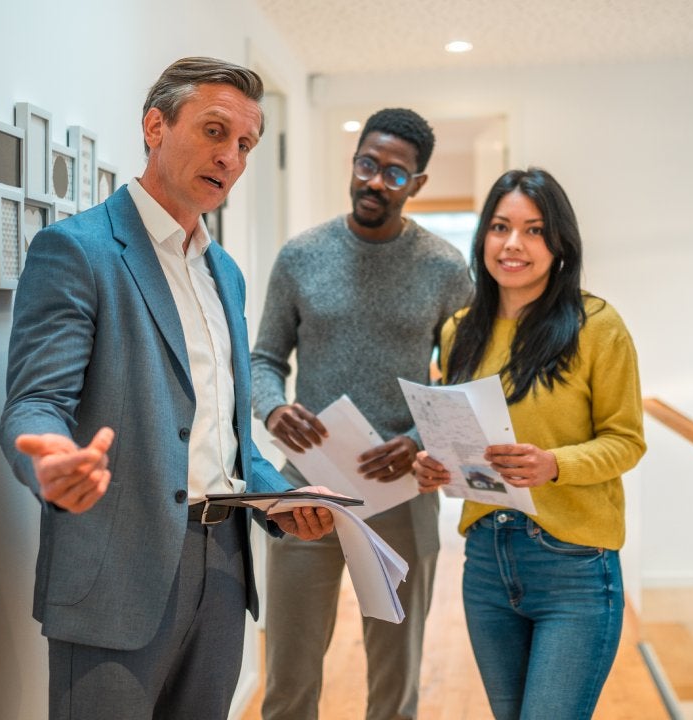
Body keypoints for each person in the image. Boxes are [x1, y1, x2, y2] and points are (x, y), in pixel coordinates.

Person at [0, 56, 336, 720]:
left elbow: (230, 438)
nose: (231, 157)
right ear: (156, 125)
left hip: (223, 570)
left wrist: (278, 496)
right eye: (214, 132)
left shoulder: (227, 274)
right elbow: (36, 402)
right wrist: (48, 464)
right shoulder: (79, 250)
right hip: (115, 572)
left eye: (244, 144)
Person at [251, 108, 472, 720]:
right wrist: (272, 409)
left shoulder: (447, 269)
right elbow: (264, 358)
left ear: (417, 184)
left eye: (394, 174)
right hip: (307, 490)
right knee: (290, 680)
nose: (376, 182)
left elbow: (463, 384)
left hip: (401, 491)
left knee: (394, 686)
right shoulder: (301, 257)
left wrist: (418, 437)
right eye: (367, 165)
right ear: (355, 164)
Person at [412, 167, 646, 719]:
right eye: (500, 226)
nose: (513, 244)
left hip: (573, 567)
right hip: (486, 562)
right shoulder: (459, 331)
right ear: (483, 237)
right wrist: (435, 463)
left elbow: (626, 441)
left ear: (559, 243)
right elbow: (461, 436)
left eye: (534, 230)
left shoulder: (596, 325)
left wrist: (553, 465)